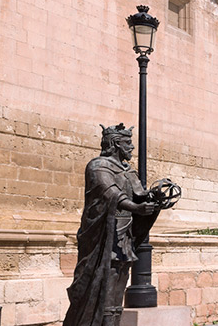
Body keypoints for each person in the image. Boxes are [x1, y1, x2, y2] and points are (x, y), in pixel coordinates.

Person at [63, 124, 159, 326]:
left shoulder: (128, 171)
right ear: (116, 143)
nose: (132, 147)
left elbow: (140, 195)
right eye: (128, 143)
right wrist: (136, 207)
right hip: (103, 237)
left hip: (124, 237)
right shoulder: (98, 166)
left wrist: (156, 198)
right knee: (101, 285)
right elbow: (110, 193)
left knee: (117, 290)